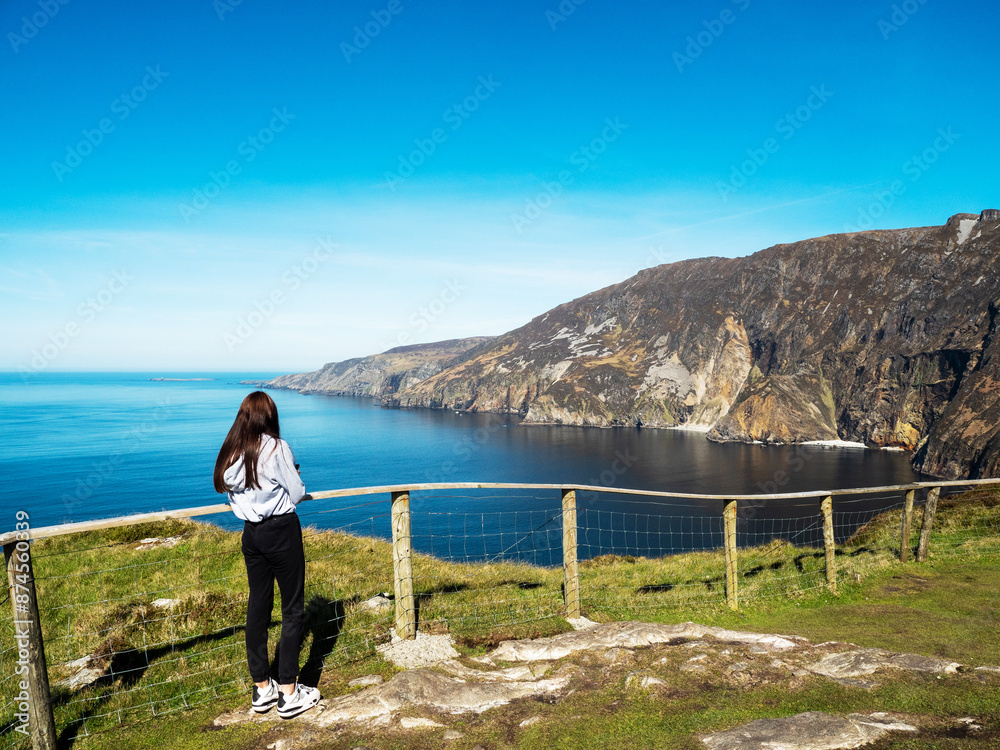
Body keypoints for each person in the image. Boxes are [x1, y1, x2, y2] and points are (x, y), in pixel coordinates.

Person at [213, 391, 320, 719]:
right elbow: (298, 493)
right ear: (269, 416)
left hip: (251, 535)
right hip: (282, 531)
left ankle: (262, 689)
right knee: (292, 609)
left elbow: (228, 491)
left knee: (258, 608)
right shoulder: (277, 447)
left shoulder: (232, 451)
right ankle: (289, 692)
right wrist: (294, 477)